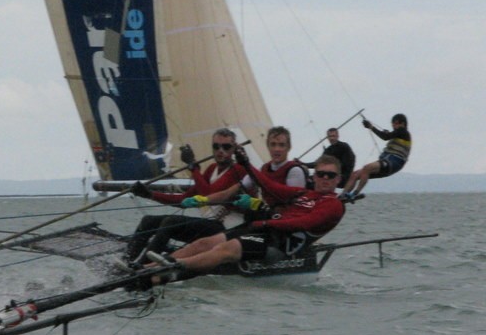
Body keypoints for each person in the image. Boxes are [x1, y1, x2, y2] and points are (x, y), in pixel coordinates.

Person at [134, 152, 346, 282]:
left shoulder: (333, 204)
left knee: (222, 248)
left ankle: (174, 266)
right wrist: (247, 164)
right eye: (321, 174)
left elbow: (305, 222)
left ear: (338, 179)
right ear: (314, 176)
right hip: (258, 229)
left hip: (274, 241)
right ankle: (146, 268)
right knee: (202, 242)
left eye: (330, 175)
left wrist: (265, 219)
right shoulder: (303, 193)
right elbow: (268, 185)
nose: (325, 179)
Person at [124, 129, 247, 263]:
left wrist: (193, 168)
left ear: (234, 149)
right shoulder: (212, 169)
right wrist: (149, 194)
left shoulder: (239, 170)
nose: (220, 151)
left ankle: (142, 266)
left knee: (170, 222)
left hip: (229, 229)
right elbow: (183, 200)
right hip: (212, 224)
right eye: (216, 146)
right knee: (148, 220)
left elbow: (208, 196)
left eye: (226, 147)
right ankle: (127, 260)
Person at [341, 114, 411, 200]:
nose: (393, 125)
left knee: (367, 168)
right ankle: (343, 195)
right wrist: (386, 132)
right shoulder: (398, 134)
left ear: (403, 124)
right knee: (355, 174)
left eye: (396, 123)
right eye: (392, 123)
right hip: (387, 162)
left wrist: (371, 127)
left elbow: (385, 137)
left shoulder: (403, 131)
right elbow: (389, 135)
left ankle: (355, 193)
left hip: (394, 162)